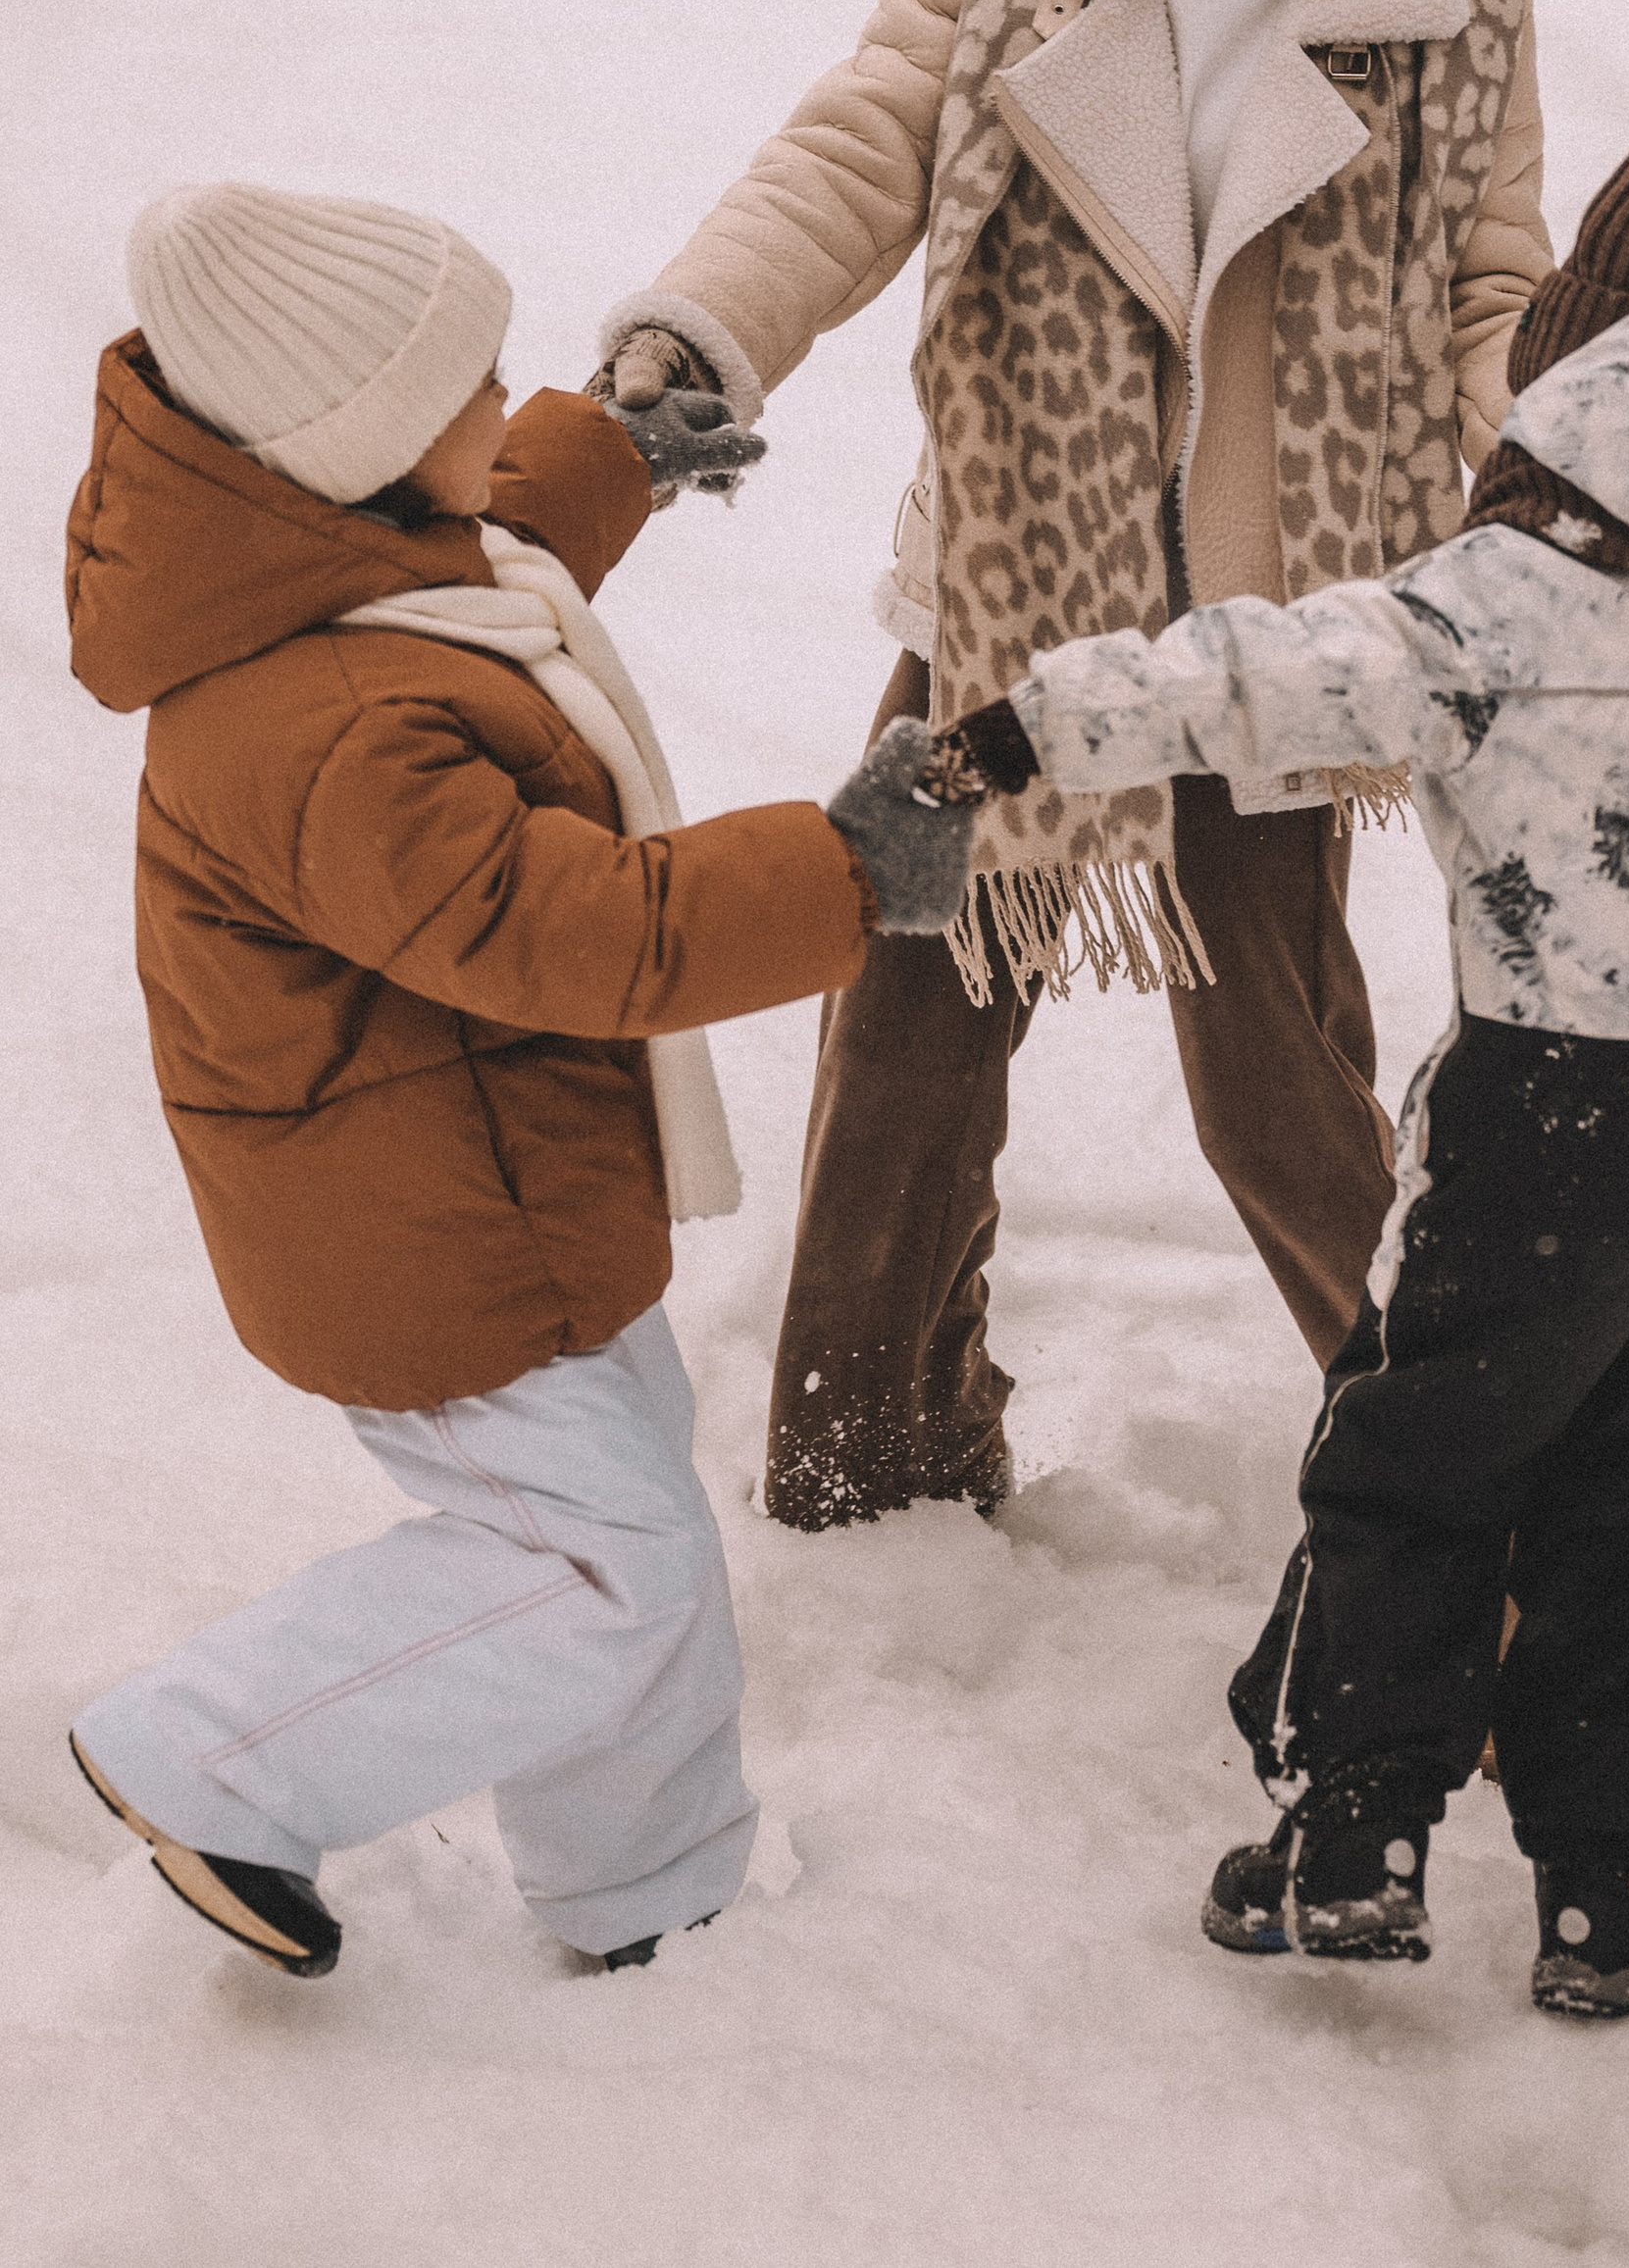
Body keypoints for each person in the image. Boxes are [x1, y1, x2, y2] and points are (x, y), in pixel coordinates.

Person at [596, 0, 1553, 1529]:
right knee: (905, 1040)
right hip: (1016, 578)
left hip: (1277, 608)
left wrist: (1567, 461)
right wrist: (701, 332)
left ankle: (1458, 1487)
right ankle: (875, 1474)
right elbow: (864, 141)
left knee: (1274, 1083)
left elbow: (1492, 270)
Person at [932, 136, 1629, 2019]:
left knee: (1423, 1462)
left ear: (1582, 348)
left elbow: (1257, 672)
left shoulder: (1495, 603)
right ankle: (1620, 1881)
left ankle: (1350, 1837)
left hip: (1555, 1101)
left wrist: (1023, 723)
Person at [62, 183, 975, 1980]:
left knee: (637, 1526)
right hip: (421, 1242)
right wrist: (844, 870)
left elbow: (487, 533)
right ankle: (218, 1756)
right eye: (469, 386)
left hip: (508, 1193)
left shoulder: (319, 550)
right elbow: (581, 931)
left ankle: (649, 1888)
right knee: (605, 1566)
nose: (499, 402)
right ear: (358, 446)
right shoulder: (324, 732)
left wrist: (610, 450)